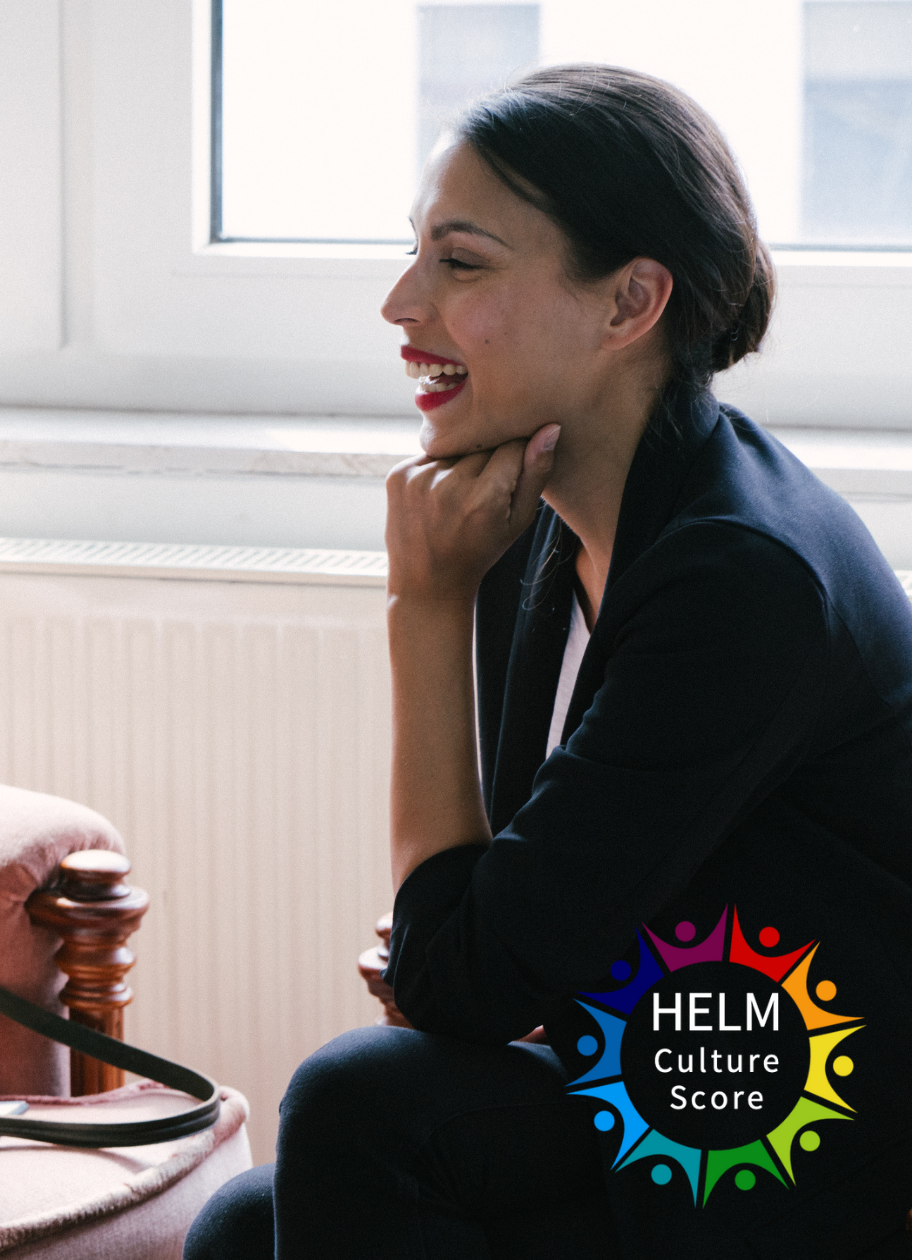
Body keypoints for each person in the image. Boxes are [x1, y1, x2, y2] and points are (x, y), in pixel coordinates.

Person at [187, 64, 912, 1259]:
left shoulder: (740, 576)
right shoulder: (546, 511)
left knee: (355, 1105)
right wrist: (468, 945)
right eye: (413, 254)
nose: (397, 304)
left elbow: (462, 976)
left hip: (763, 1123)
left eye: (458, 264)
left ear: (629, 300)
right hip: (642, 1060)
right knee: (240, 1230)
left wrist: (421, 612)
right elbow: (491, 935)